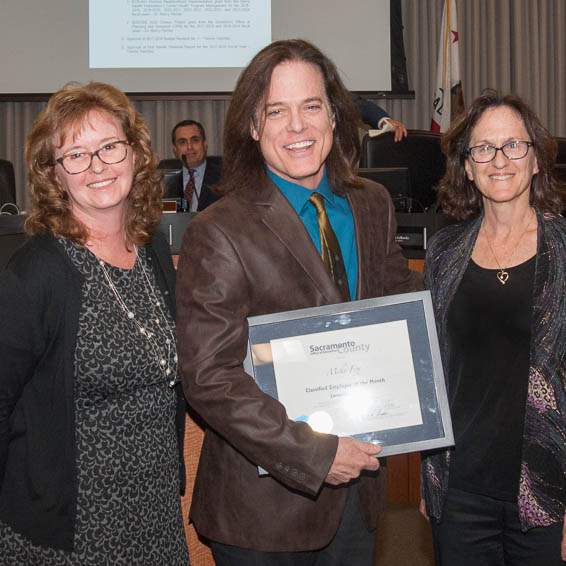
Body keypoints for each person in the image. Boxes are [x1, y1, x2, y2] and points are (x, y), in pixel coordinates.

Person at [176, 39, 420, 566]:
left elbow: (401, 315)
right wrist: (315, 453)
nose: (298, 126)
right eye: (276, 111)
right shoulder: (217, 231)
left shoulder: (371, 205)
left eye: (311, 106)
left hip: (358, 500)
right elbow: (209, 378)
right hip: (262, 514)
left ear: (334, 116)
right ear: (253, 126)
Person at [0, 82, 189, 564]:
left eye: (109, 147)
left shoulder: (152, 252)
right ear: (53, 176)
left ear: (136, 154)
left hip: (155, 514)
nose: (98, 166)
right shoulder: (35, 273)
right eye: (76, 155)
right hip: (71, 531)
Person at [421, 89, 566, 565]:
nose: (499, 159)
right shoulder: (443, 254)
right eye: (483, 148)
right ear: (467, 165)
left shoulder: (564, 251)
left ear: (536, 158)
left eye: (514, 145)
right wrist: (431, 479)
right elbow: (435, 371)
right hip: (460, 492)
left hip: (548, 494)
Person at [164, 119, 221, 210]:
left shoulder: (224, 177)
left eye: (195, 140)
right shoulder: (165, 183)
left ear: (205, 144)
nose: (189, 147)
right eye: (182, 142)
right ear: (175, 149)